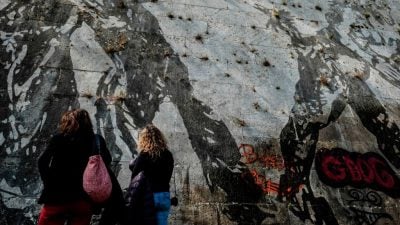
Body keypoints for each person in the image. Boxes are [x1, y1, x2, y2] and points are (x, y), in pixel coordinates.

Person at [37, 109, 120, 225]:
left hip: (56, 197)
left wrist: (49, 183)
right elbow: (107, 160)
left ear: (67, 122)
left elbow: (42, 162)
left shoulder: (58, 139)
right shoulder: (96, 140)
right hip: (83, 199)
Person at [127, 124, 174, 225]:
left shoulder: (144, 155)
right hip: (164, 195)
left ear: (143, 139)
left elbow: (134, 179)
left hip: (148, 197)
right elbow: (168, 176)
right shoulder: (168, 155)